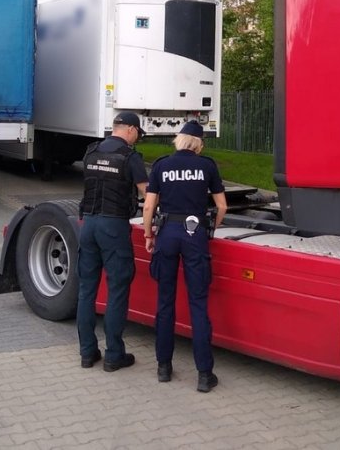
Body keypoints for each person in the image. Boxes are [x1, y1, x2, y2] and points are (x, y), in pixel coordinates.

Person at [142, 120, 228, 392]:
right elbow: (221, 206)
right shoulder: (207, 166)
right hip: (195, 233)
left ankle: (163, 367)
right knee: (198, 304)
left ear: (178, 140)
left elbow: (149, 207)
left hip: (167, 234)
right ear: (199, 144)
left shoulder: (162, 165)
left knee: (165, 302)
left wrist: (148, 234)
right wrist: (211, 229)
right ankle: (204, 375)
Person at [76, 111, 148, 372]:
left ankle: (87, 353)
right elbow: (147, 192)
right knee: (117, 289)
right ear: (130, 129)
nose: (137, 138)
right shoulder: (130, 157)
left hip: (88, 225)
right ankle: (114, 355)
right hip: (114, 226)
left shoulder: (91, 152)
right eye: (138, 133)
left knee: (86, 290)